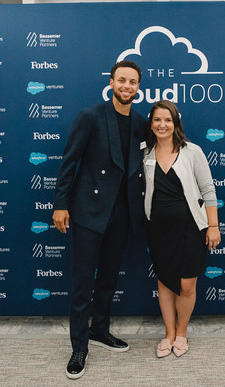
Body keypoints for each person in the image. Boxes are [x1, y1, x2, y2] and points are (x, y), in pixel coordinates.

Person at [52, 60, 146, 379]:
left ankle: (99, 330)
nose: (127, 86)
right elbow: (69, 162)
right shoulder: (90, 116)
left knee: (108, 279)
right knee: (83, 283)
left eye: (132, 82)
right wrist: (60, 204)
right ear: (111, 82)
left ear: (138, 87)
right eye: (122, 80)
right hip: (89, 211)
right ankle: (79, 346)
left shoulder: (140, 123)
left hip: (122, 213)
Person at [143, 100, 221, 358]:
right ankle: (168, 333)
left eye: (167, 120)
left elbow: (209, 190)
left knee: (187, 285)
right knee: (165, 282)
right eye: (157, 120)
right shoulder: (144, 152)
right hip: (159, 229)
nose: (162, 125)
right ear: (151, 123)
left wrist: (213, 226)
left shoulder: (192, 151)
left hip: (191, 227)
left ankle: (182, 333)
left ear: (175, 123)